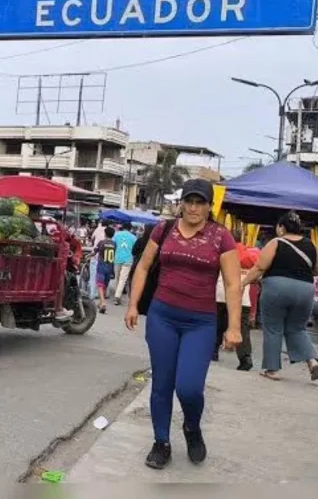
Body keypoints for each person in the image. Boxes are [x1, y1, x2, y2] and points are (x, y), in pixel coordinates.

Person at [125, 179, 242, 470]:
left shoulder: (221, 237)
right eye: (188, 201)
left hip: (200, 322)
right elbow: (143, 266)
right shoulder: (164, 229)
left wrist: (235, 326)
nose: (193, 207)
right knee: (162, 384)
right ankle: (161, 442)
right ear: (181, 203)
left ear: (209, 206)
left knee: (189, 388)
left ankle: (192, 427)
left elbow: (232, 282)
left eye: (199, 202)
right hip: (162, 316)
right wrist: (133, 304)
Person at [241, 211, 318, 382]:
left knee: (273, 328)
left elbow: (260, 267)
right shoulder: (310, 244)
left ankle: (272, 370)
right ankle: (312, 361)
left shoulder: (276, 242)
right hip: (305, 289)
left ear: (281, 227)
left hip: (276, 287)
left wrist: (242, 283)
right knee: (297, 328)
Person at [213, 228, 260, 371]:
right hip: (242, 296)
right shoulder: (250, 254)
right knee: (243, 329)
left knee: (217, 324)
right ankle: (245, 358)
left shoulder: (221, 252)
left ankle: (212, 352)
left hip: (221, 293)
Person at [112, 223, 137, 305]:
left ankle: (117, 295)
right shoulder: (133, 237)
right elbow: (135, 249)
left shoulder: (117, 235)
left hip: (117, 258)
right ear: (130, 229)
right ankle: (117, 296)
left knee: (117, 277)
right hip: (128, 259)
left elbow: (113, 245)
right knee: (123, 279)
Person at [94, 226, 116, 314]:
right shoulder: (114, 244)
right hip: (109, 267)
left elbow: (95, 251)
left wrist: (89, 255)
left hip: (101, 266)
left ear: (105, 234)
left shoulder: (102, 242)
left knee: (99, 285)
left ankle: (103, 303)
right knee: (105, 286)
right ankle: (100, 303)